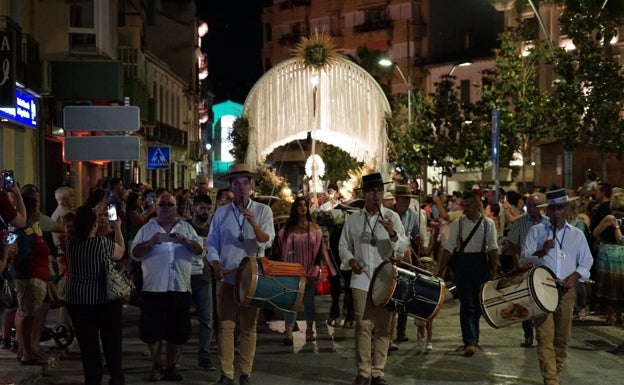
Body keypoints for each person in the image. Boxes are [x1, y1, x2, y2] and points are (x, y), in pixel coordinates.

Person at [206, 163, 275, 385]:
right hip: (226, 277)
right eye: (236, 184)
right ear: (231, 187)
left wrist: (253, 223)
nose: (241, 188)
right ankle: (226, 373)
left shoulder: (264, 211)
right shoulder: (221, 213)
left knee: (249, 327)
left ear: (251, 186)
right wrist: (216, 264)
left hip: (252, 278)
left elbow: (267, 240)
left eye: (245, 183)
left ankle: (245, 373)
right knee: (226, 326)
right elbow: (212, 243)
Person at [338, 172, 408, 385]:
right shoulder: (354, 219)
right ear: (365, 195)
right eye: (372, 191)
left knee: (383, 326)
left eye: (379, 190)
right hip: (361, 277)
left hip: (386, 279)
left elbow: (403, 247)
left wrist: (393, 234)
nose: (376, 195)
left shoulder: (392, 217)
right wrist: (351, 261)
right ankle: (363, 371)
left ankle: (378, 372)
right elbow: (343, 245)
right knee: (362, 324)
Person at [521, 189, 593, 385]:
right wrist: (541, 251)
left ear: (567, 208)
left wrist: (576, 275)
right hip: (541, 289)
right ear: (548, 210)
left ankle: (555, 372)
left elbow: (587, 261)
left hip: (566, 291)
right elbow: (524, 257)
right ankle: (551, 378)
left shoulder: (577, 235)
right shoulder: (536, 231)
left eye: (560, 208)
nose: (556, 212)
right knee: (544, 337)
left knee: (562, 338)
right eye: (552, 208)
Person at [131, 192, 203, 382]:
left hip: (179, 287)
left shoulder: (186, 228)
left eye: (170, 205)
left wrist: (185, 241)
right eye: (162, 205)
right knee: (152, 331)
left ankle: (171, 366)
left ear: (175, 206)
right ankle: (156, 364)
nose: (166, 209)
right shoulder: (147, 229)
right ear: (156, 206)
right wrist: (150, 242)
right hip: (153, 288)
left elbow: (199, 251)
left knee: (176, 332)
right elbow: (135, 254)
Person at [65, 204, 125, 385]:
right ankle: (115, 378)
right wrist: (117, 228)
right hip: (104, 299)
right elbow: (120, 252)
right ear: (94, 225)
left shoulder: (70, 243)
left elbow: (88, 240)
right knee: (111, 343)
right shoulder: (103, 243)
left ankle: (92, 379)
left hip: (78, 300)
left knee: (88, 346)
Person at [437, 190, 498, 357]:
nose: (465, 209)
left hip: (480, 265)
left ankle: (473, 339)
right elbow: (449, 247)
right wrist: (441, 270)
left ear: (477, 204)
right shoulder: (458, 223)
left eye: (469, 206)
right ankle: (470, 342)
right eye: (463, 206)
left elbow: (493, 249)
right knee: (467, 306)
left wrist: (494, 272)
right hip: (463, 265)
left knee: (478, 307)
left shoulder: (488, 224)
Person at [279, 196, 337, 345]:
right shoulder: (288, 229)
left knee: (309, 302)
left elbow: (320, 250)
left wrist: (320, 269)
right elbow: (282, 249)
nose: (303, 208)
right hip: (292, 271)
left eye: (305, 205)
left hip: (309, 270)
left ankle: (310, 329)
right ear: (295, 209)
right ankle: (289, 332)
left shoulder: (314, 227)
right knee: (290, 302)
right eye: (299, 205)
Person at [13, 188, 52, 365]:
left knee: (26, 315)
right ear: (30, 211)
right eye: (37, 209)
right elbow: (23, 254)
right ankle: (27, 353)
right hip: (30, 278)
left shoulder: (28, 229)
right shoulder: (25, 231)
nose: (39, 213)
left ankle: (25, 350)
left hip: (31, 277)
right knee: (27, 316)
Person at [506, 193, 548, 348]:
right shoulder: (520, 222)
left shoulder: (549, 223)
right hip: (526, 267)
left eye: (534, 205)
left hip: (544, 268)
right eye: (528, 205)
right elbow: (512, 244)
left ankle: (543, 335)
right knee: (526, 301)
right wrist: (518, 263)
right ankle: (529, 335)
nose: (531, 208)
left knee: (542, 301)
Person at [185, 194, 217, 371]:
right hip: (185, 278)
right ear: (194, 207)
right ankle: (177, 353)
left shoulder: (212, 229)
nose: (205, 212)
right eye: (202, 208)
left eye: (208, 208)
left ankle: (204, 355)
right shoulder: (185, 227)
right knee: (181, 318)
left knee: (207, 319)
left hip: (205, 279)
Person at [387, 185, 420, 346]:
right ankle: (387, 334)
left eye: (409, 199)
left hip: (405, 258)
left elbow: (415, 235)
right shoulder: (388, 213)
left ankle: (401, 332)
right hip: (390, 257)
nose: (407, 202)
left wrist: (419, 240)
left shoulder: (413, 216)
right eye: (404, 198)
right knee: (390, 296)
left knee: (404, 294)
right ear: (397, 199)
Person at [591, 192, 624, 325]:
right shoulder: (612, 218)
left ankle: (612, 315)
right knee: (619, 284)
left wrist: (613, 226)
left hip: (609, 252)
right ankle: (618, 315)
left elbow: (595, 233)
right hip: (618, 252)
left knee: (610, 284)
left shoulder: (610, 218)